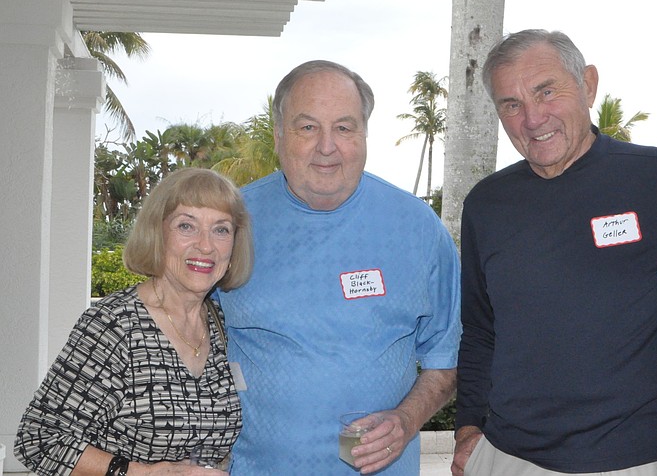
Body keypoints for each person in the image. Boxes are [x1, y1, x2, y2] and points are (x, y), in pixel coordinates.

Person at [452, 29, 657, 476]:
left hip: (639, 458)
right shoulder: (486, 205)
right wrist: (469, 426)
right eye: (511, 104)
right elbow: (479, 328)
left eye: (546, 91)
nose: (532, 118)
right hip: (511, 457)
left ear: (587, 85)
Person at [217, 60, 461, 475]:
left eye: (344, 128)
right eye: (307, 127)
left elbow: (449, 357)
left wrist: (406, 420)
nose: (326, 146)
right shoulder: (230, 223)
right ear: (279, 136)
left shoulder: (417, 227)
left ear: (364, 135)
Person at [15, 167, 253, 476]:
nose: (205, 245)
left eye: (221, 229)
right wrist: (145, 473)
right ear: (157, 233)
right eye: (186, 226)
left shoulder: (222, 326)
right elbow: (38, 439)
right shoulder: (114, 325)